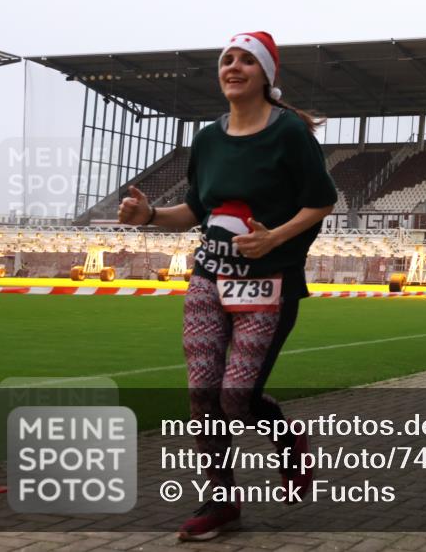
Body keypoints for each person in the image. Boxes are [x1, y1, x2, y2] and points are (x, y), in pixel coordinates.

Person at [118, 31, 337, 541]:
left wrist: (273, 238)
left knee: (237, 397)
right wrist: (149, 215)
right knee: (202, 395)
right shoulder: (208, 138)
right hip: (208, 282)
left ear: (266, 75)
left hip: (268, 284)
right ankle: (221, 501)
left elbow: (321, 200)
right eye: (226, 60)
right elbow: (196, 210)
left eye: (245, 61)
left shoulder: (289, 134)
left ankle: (288, 438)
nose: (233, 67)